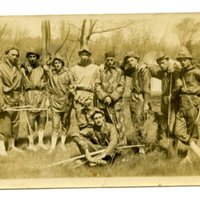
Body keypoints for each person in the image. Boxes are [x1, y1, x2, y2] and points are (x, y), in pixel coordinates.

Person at [147, 51, 181, 155]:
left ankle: (174, 149)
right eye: (160, 63)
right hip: (164, 101)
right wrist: (147, 64)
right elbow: (151, 69)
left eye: (163, 62)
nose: (162, 65)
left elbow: (179, 84)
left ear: (168, 61)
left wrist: (174, 95)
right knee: (165, 123)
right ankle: (167, 146)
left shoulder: (175, 71)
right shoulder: (161, 73)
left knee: (173, 125)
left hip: (173, 101)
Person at [174, 46, 200, 164]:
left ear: (190, 59)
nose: (182, 62)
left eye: (184, 59)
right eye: (180, 60)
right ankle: (198, 152)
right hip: (181, 105)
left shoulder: (197, 71)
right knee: (177, 131)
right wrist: (178, 86)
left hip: (192, 104)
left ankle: (189, 158)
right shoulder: (180, 72)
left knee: (193, 134)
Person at [43, 54, 74, 152]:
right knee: (55, 125)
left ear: (62, 63)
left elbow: (72, 85)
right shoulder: (51, 74)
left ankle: (62, 144)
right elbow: (47, 87)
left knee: (65, 124)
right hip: (55, 102)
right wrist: (48, 99)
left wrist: (71, 91)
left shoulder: (68, 73)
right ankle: (52, 147)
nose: (57, 65)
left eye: (59, 63)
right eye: (55, 63)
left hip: (66, 102)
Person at [122, 51, 151, 154]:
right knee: (135, 122)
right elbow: (121, 68)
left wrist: (146, 103)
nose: (130, 62)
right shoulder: (132, 70)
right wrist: (125, 60)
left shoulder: (144, 70)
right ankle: (140, 145)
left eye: (132, 60)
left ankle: (142, 147)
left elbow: (147, 88)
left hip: (141, 98)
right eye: (128, 61)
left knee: (140, 122)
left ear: (137, 60)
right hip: (133, 98)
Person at [95, 51, 126, 145]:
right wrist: (104, 97)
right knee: (106, 123)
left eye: (112, 60)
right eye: (108, 60)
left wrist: (111, 97)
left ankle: (121, 144)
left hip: (116, 102)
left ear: (114, 60)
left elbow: (121, 87)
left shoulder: (119, 72)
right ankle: (107, 144)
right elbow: (97, 85)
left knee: (119, 123)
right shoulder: (100, 71)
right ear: (105, 60)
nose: (110, 62)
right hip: (103, 102)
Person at [21, 49, 48, 151]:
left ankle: (40, 142)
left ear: (37, 58)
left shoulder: (42, 68)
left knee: (42, 119)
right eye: (30, 57)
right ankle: (31, 143)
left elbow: (48, 80)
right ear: (28, 58)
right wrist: (23, 66)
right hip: (29, 95)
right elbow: (19, 65)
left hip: (41, 95)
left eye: (34, 57)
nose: (32, 59)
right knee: (30, 121)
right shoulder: (24, 69)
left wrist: (47, 98)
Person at [0, 47, 23, 155]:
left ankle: (11, 146)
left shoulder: (17, 68)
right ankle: (1, 148)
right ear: (7, 54)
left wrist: (21, 97)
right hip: (5, 99)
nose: (15, 57)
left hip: (16, 99)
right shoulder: (1, 67)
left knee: (15, 124)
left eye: (16, 55)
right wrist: (1, 103)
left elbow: (21, 85)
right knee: (5, 124)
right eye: (12, 54)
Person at [71, 45, 100, 131]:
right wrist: (74, 93)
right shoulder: (74, 68)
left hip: (90, 94)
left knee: (91, 116)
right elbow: (70, 83)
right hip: (78, 95)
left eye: (86, 55)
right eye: (83, 55)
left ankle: (93, 138)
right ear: (80, 55)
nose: (84, 57)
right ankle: (83, 137)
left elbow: (98, 82)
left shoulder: (95, 68)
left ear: (89, 56)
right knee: (80, 116)